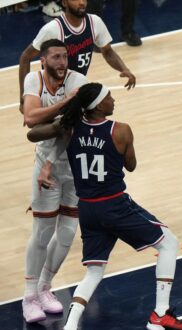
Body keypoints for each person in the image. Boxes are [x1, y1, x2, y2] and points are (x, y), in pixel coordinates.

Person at [27, 82, 182, 330]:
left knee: (94, 271)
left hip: (88, 210)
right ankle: (160, 314)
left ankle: (71, 325)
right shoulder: (122, 130)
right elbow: (131, 165)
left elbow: (32, 134)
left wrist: (51, 149)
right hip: (114, 205)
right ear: (97, 106)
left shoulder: (70, 128)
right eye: (109, 97)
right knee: (169, 243)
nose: (113, 100)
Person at [20, 38, 88, 323]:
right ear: (43, 61)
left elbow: (66, 129)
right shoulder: (33, 80)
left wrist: (51, 121)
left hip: (71, 166)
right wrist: (63, 104)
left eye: (65, 56)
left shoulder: (79, 81)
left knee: (68, 232)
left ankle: (45, 287)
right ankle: (29, 295)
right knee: (43, 231)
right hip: (45, 166)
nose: (62, 62)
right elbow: (29, 117)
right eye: (56, 57)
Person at [19, 0, 136, 111]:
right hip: (52, 95)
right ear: (64, 2)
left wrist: (124, 68)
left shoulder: (95, 22)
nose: (81, 2)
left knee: (103, 104)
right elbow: (26, 57)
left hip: (77, 89)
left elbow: (107, 51)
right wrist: (24, 96)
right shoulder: (52, 29)